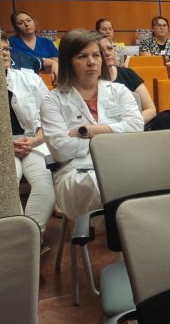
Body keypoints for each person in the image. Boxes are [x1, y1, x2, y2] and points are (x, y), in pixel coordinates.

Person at [40, 29, 143, 220]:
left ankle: (130, 231)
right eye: (82, 56)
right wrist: (114, 137)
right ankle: (123, 232)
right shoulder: (53, 100)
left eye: (96, 55)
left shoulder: (119, 91)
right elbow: (61, 149)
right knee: (106, 184)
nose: (92, 62)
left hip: (123, 161)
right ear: (68, 61)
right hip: (77, 171)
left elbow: (136, 128)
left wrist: (87, 131)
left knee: (154, 177)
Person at [0, 31, 55, 239]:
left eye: (6, 49)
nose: (5, 53)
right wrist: (5, 144)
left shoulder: (30, 78)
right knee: (5, 187)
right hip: (1, 147)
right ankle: (13, 240)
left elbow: (51, 118)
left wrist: (36, 140)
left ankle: (31, 238)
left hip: (33, 141)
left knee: (45, 182)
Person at [98, 34, 157, 124]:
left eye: (110, 48)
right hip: (104, 129)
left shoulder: (128, 74)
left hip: (135, 126)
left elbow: (151, 110)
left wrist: (129, 124)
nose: (107, 53)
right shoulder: (90, 82)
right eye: (101, 51)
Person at [9, 10, 58, 80]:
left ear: (34, 22)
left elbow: (56, 61)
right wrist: (46, 63)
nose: (27, 24)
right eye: (20, 23)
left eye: (28, 20)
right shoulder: (10, 42)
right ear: (16, 27)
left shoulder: (46, 41)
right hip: (24, 81)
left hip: (49, 79)